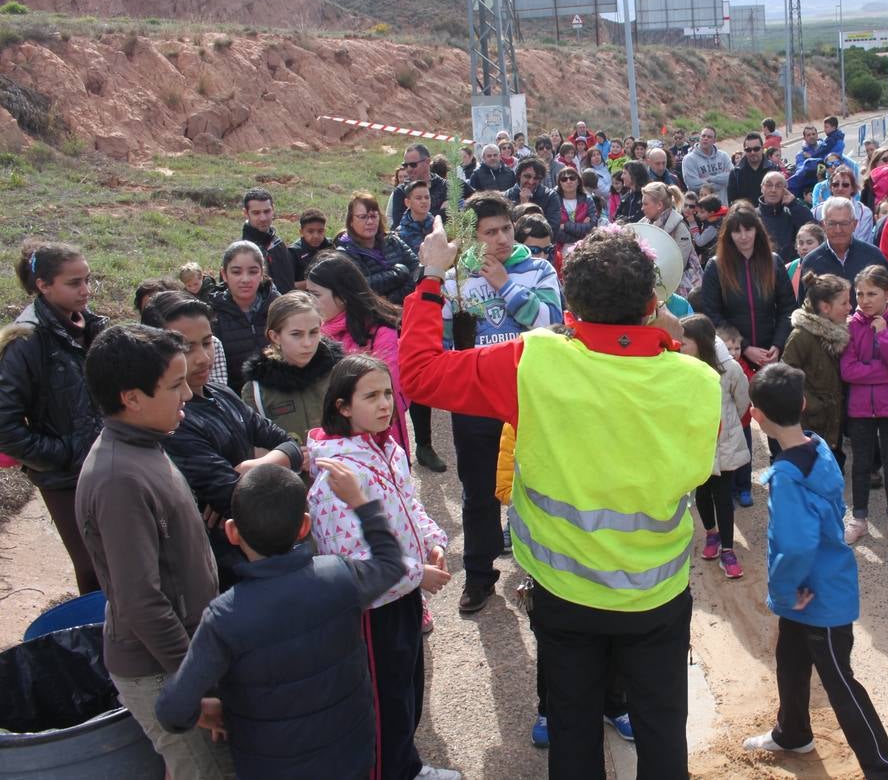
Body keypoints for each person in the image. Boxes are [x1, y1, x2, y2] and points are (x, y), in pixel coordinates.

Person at [401, 223, 720, 780]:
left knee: (571, 733)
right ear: (652, 301)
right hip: (657, 596)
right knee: (663, 731)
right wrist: (663, 331)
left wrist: (431, 278)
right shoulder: (698, 380)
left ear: (569, 302)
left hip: (564, 595)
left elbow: (420, 375)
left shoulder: (534, 362)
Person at [154, 461, 405, 779]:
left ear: (232, 532)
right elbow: (391, 564)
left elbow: (173, 712)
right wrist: (362, 502)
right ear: (305, 526)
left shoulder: (225, 617)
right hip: (351, 755)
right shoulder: (339, 576)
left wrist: (202, 710)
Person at [76, 323, 233, 778]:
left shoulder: (147, 442)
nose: (187, 394)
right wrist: (191, 684)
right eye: (174, 385)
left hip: (185, 655)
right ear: (132, 398)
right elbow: (141, 601)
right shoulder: (117, 479)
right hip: (161, 668)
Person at [741, 363, 888, 780]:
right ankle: (793, 732)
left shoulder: (788, 477)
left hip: (817, 594)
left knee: (839, 681)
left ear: (756, 415)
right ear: (804, 404)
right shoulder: (817, 446)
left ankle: (882, 767)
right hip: (818, 589)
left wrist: (786, 589)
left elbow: (795, 544)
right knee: (790, 660)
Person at [306, 355, 458, 780]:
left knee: (408, 690)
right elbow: (355, 560)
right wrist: (416, 573)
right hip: (373, 612)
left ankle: (405, 767)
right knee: (383, 702)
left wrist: (432, 541)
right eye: (370, 396)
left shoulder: (385, 447)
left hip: (403, 596)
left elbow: (410, 504)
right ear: (342, 406)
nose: (385, 404)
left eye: (388, 393)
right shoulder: (338, 474)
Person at [441, 192, 563, 613]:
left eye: (506, 229)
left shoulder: (538, 268)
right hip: (476, 401)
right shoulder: (454, 279)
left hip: (529, 400)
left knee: (535, 485)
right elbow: (443, 343)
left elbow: (551, 324)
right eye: (489, 232)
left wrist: (504, 286)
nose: (501, 239)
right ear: (471, 238)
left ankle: (540, 570)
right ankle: (479, 576)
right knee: (478, 493)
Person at [143, 291, 304, 589]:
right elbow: (237, 498)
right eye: (185, 347)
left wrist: (260, 464)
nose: (202, 357)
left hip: (257, 555)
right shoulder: (174, 420)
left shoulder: (222, 393)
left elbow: (290, 443)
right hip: (221, 569)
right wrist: (270, 471)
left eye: (207, 342)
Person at [0, 242, 107, 594]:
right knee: (94, 567)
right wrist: (61, 454)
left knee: (122, 558)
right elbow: (6, 427)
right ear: (43, 285)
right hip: (67, 478)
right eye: (74, 283)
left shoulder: (91, 326)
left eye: (88, 280)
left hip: (108, 463)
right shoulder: (26, 342)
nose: (85, 290)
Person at [306, 254, 419, 461]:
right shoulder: (316, 334)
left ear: (342, 296)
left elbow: (392, 395)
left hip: (378, 440)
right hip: (336, 443)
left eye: (316, 295)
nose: (310, 302)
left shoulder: (380, 334)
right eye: (308, 294)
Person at [841, 264, 888, 548]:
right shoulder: (850, 325)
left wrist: (884, 335)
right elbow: (847, 371)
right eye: (859, 293)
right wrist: (883, 370)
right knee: (860, 465)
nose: (864, 300)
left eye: (872, 293)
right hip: (860, 409)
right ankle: (858, 519)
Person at [680, 314, 750, 578]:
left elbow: (742, 400)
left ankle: (728, 549)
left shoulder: (729, 369)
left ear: (700, 342)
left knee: (723, 497)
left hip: (725, 445)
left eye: (684, 342)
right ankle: (712, 534)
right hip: (698, 444)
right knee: (702, 494)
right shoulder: (682, 369)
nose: (680, 346)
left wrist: (729, 423)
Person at [698, 203, 795, 374]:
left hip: (771, 354)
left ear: (757, 230)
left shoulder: (774, 262)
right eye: (737, 231)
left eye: (748, 229)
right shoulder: (716, 266)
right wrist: (745, 347)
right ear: (729, 235)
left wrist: (777, 345)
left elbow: (787, 309)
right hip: (733, 356)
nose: (743, 237)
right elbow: (712, 314)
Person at [240, 290, 343, 447]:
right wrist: (290, 457)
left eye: (314, 333)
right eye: (296, 334)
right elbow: (254, 447)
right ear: (275, 337)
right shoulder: (256, 391)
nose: (307, 343)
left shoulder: (339, 374)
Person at [781, 272, 851, 463]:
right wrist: (812, 404)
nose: (850, 308)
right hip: (811, 424)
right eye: (844, 303)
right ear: (825, 308)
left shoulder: (838, 332)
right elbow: (786, 376)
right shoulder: (801, 336)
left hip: (832, 422)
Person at [209, 240, 279, 392]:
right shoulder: (211, 315)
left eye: (253, 271)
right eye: (236, 272)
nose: (245, 279)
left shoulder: (280, 308)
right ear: (224, 274)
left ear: (262, 273)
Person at [797, 197, 888, 305]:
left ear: (854, 225)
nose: (838, 230)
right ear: (823, 225)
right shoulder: (811, 261)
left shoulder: (873, 256)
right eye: (832, 224)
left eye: (844, 223)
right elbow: (805, 306)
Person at [336, 192, 418, 305]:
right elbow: (360, 287)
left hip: (407, 309)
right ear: (351, 221)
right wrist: (398, 273)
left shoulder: (393, 241)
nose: (370, 222)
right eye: (363, 217)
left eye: (373, 216)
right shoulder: (344, 254)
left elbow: (417, 272)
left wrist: (391, 298)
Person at [638, 181, 698, 296]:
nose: (642, 208)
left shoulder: (680, 228)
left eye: (645, 204)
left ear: (659, 205)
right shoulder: (644, 223)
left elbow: (678, 265)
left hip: (680, 291)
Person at [240, 188, 297, 294]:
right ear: (246, 213)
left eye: (267, 211)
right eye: (256, 213)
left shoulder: (278, 243)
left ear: (273, 209)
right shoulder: (241, 252)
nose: (263, 218)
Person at [758, 170, 814, 264]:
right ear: (762, 188)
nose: (773, 190)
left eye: (778, 186)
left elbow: (812, 228)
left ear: (785, 189)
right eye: (769, 185)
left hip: (789, 271)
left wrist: (794, 204)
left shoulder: (793, 212)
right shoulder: (752, 215)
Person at [388, 144, 448, 227]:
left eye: (413, 165)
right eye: (405, 165)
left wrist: (460, 205)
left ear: (427, 162)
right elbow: (402, 227)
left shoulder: (446, 186)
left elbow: (472, 199)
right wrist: (443, 212)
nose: (408, 169)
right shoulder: (401, 192)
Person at [811, 166, 874, 244]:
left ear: (853, 188)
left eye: (845, 185)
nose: (840, 188)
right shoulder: (817, 211)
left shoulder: (864, 213)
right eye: (835, 184)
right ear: (831, 188)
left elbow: (863, 243)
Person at [506, 157, 562, 240]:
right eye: (527, 176)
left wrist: (527, 205)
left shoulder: (550, 196)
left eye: (536, 178)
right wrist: (523, 206)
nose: (531, 182)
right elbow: (508, 231)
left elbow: (552, 230)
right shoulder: (508, 196)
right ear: (518, 175)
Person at [556, 166, 605, 257]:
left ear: (578, 181)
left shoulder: (588, 200)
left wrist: (565, 225)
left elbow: (591, 225)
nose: (568, 181)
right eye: (564, 179)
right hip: (559, 249)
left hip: (584, 248)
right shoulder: (554, 201)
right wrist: (579, 233)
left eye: (572, 178)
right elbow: (555, 229)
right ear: (560, 183)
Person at [683, 126, 733, 201]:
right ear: (700, 138)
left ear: (714, 140)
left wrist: (710, 178)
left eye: (709, 137)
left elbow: (732, 177)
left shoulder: (723, 156)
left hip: (722, 207)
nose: (705, 138)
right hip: (701, 208)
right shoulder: (689, 159)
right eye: (703, 136)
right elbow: (693, 185)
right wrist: (721, 183)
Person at [289, 208, 332, 290]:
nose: (316, 236)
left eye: (320, 231)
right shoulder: (293, 252)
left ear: (325, 231)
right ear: (301, 232)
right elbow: (289, 285)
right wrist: (317, 282)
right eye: (310, 231)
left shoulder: (330, 245)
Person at [727, 131, 774, 204]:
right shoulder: (736, 173)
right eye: (748, 150)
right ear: (744, 151)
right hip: (745, 214)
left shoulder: (773, 169)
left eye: (756, 149)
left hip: (768, 214)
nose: (752, 152)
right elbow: (732, 202)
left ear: (762, 148)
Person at [395, 178, 437, 257]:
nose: (424, 201)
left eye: (427, 197)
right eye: (418, 198)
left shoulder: (437, 226)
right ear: (407, 202)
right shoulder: (401, 234)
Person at [786, 224, 825, 298]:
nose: (804, 247)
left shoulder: (828, 265)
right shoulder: (788, 269)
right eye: (800, 243)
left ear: (821, 245)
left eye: (809, 243)